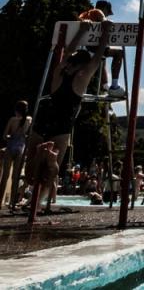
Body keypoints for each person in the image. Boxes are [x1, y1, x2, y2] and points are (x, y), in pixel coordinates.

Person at [25, 20, 112, 210]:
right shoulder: (82, 76)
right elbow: (97, 58)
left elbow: (67, 51)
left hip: (43, 120)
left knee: (30, 169)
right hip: (62, 126)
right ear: (82, 65)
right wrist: (105, 32)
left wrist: (82, 30)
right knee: (52, 169)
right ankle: (40, 195)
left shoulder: (59, 72)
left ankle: (33, 192)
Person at [78, 0, 125, 97]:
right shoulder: (98, 12)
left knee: (102, 60)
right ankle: (114, 86)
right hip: (95, 48)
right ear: (104, 9)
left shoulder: (85, 14)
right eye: (108, 12)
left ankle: (105, 85)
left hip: (86, 48)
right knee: (119, 53)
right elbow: (105, 21)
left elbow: (79, 20)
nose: (108, 15)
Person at [1, 100, 30, 208]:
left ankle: (0, 201)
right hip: (20, 148)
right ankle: (12, 203)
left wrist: (10, 136)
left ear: (16, 109)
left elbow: (5, 136)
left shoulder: (12, 120)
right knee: (15, 177)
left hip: (11, 147)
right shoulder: (29, 120)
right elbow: (27, 135)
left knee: (5, 176)